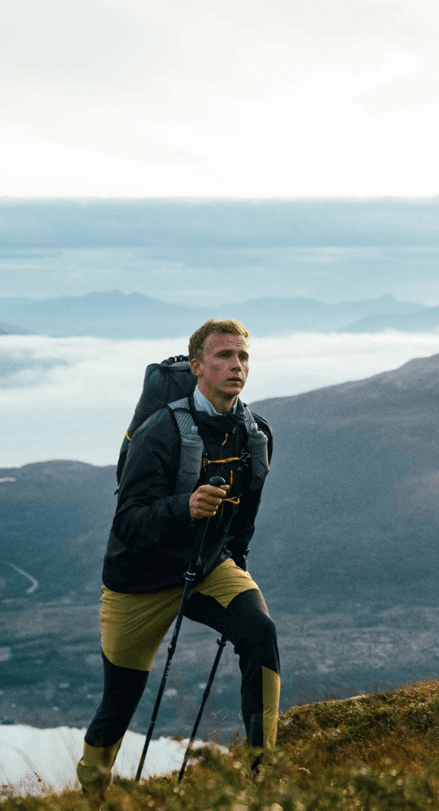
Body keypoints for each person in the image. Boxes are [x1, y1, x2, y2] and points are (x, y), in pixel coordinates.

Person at [76, 319, 280, 792]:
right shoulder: (161, 432)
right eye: (224, 356)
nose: (236, 366)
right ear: (197, 367)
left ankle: (263, 776)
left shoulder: (255, 433)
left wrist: (237, 559)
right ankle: (90, 794)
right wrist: (183, 508)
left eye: (243, 357)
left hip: (209, 568)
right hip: (139, 581)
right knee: (119, 702)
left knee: (259, 633)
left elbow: (246, 510)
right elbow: (127, 521)